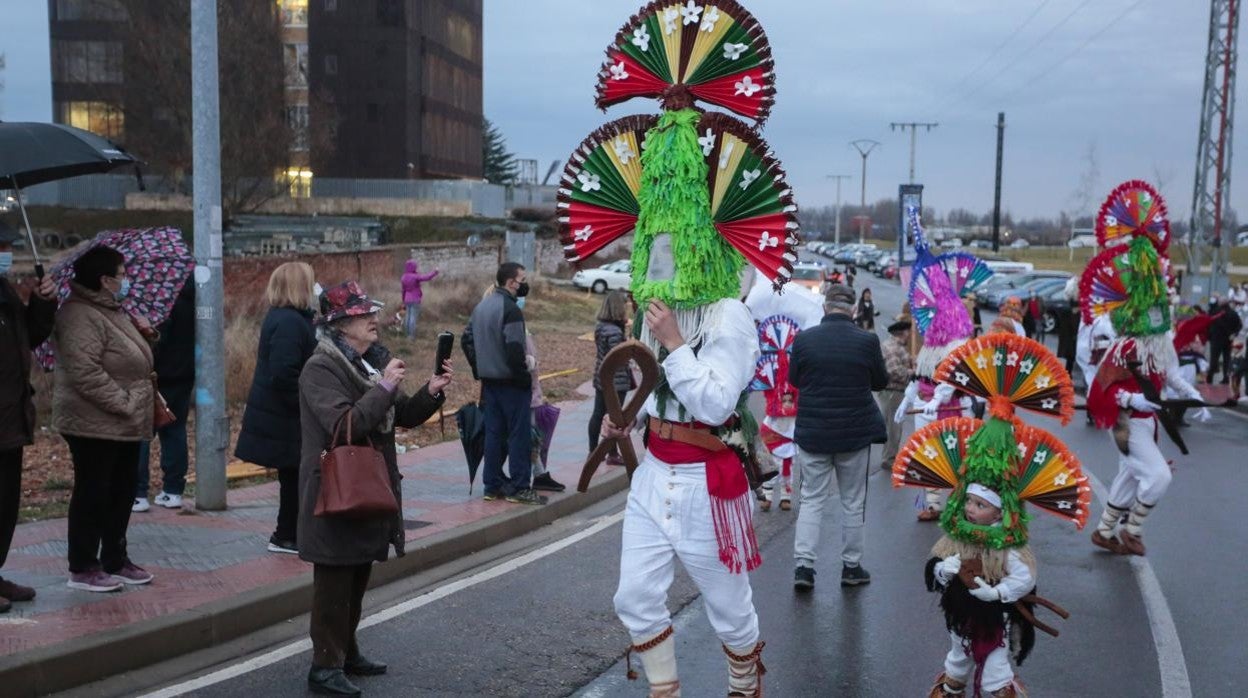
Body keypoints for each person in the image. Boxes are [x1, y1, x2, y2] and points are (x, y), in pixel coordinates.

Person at [297, 280, 451, 696]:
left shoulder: (366, 364)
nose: (374, 320)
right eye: (364, 315)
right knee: (333, 583)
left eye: (371, 313)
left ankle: (346, 652)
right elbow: (345, 426)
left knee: (356, 577)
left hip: (365, 487)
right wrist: (383, 387)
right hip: (334, 491)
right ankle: (324, 666)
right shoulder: (321, 368)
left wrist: (430, 393)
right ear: (340, 326)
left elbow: (399, 416)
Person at [1086, 185, 1203, 557]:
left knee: (1129, 475)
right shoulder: (1124, 348)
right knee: (1157, 476)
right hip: (1128, 423)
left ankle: (1105, 531)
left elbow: (1168, 374)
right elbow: (1103, 389)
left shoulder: (1157, 343)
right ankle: (1131, 529)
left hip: (1148, 423)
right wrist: (1133, 398)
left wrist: (1193, 396)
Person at [53, 246, 155, 593]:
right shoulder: (78, 314)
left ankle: (115, 557)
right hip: (93, 420)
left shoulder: (113, 310)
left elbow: (125, 356)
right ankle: (82, 565)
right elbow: (85, 372)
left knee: (122, 490)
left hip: (123, 422)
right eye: (122, 275)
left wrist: (146, 335)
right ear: (104, 280)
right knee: (93, 492)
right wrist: (125, 403)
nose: (126, 281)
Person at [789, 284, 888, 590]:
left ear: (825, 307)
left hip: (814, 433)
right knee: (853, 502)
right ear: (853, 309)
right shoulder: (867, 341)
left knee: (811, 500)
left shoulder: (804, 340)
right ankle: (851, 567)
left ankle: (804, 568)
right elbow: (880, 381)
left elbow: (794, 380)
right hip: (853, 435)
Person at [235, 262, 319, 554]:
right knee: (295, 476)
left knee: (294, 476)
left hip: (282, 413)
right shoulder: (289, 322)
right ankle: (286, 535)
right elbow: (284, 373)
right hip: (286, 416)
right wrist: (308, 404)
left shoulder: (288, 318)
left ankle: (289, 533)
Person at [0, 219, 58, 612]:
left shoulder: (4, 291)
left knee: (5, 504)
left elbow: (29, 338)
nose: (6, 254)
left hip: (11, 416)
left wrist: (42, 301)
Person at [461, 262, 545, 505]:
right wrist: (524, 374)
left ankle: (492, 485)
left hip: (490, 383)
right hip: (512, 383)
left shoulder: (481, 307)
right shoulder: (511, 310)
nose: (524, 284)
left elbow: (467, 340)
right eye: (522, 279)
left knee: (494, 434)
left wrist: (479, 368)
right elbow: (514, 348)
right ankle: (520, 487)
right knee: (519, 435)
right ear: (511, 282)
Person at [133, 282, 195, 513]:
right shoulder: (193, 295)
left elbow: (157, 341)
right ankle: (173, 490)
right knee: (175, 430)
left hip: (156, 376)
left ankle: (138, 492)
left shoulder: (159, 302)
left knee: (143, 433)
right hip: (184, 373)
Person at [588, 290, 632, 467]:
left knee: (598, 414)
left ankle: (593, 452)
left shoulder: (601, 327)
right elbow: (619, 356)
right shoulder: (614, 331)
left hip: (602, 377)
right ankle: (611, 453)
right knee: (615, 417)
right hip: (616, 380)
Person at [878, 319, 914, 472]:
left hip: (893, 391)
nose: (909, 335)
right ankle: (889, 459)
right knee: (894, 427)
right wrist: (912, 373)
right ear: (902, 333)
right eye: (908, 332)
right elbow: (894, 370)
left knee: (893, 425)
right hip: (893, 391)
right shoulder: (892, 348)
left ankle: (890, 456)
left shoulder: (895, 346)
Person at [399, 259, 438, 338]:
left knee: (408, 317)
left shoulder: (403, 277)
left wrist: (403, 300)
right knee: (413, 317)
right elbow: (427, 277)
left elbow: (403, 290)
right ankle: (411, 336)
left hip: (407, 299)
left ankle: (407, 334)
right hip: (415, 299)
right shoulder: (415, 277)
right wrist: (435, 272)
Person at [1207, 297, 1242, 384]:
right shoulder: (1234, 313)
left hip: (1216, 340)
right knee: (1227, 360)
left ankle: (1210, 377)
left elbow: (1209, 323)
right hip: (1228, 340)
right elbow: (1239, 325)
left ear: (1220, 303)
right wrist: (1234, 334)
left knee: (1214, 359)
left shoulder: (1215, 312)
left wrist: (1209, 336)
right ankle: (1226, 378)